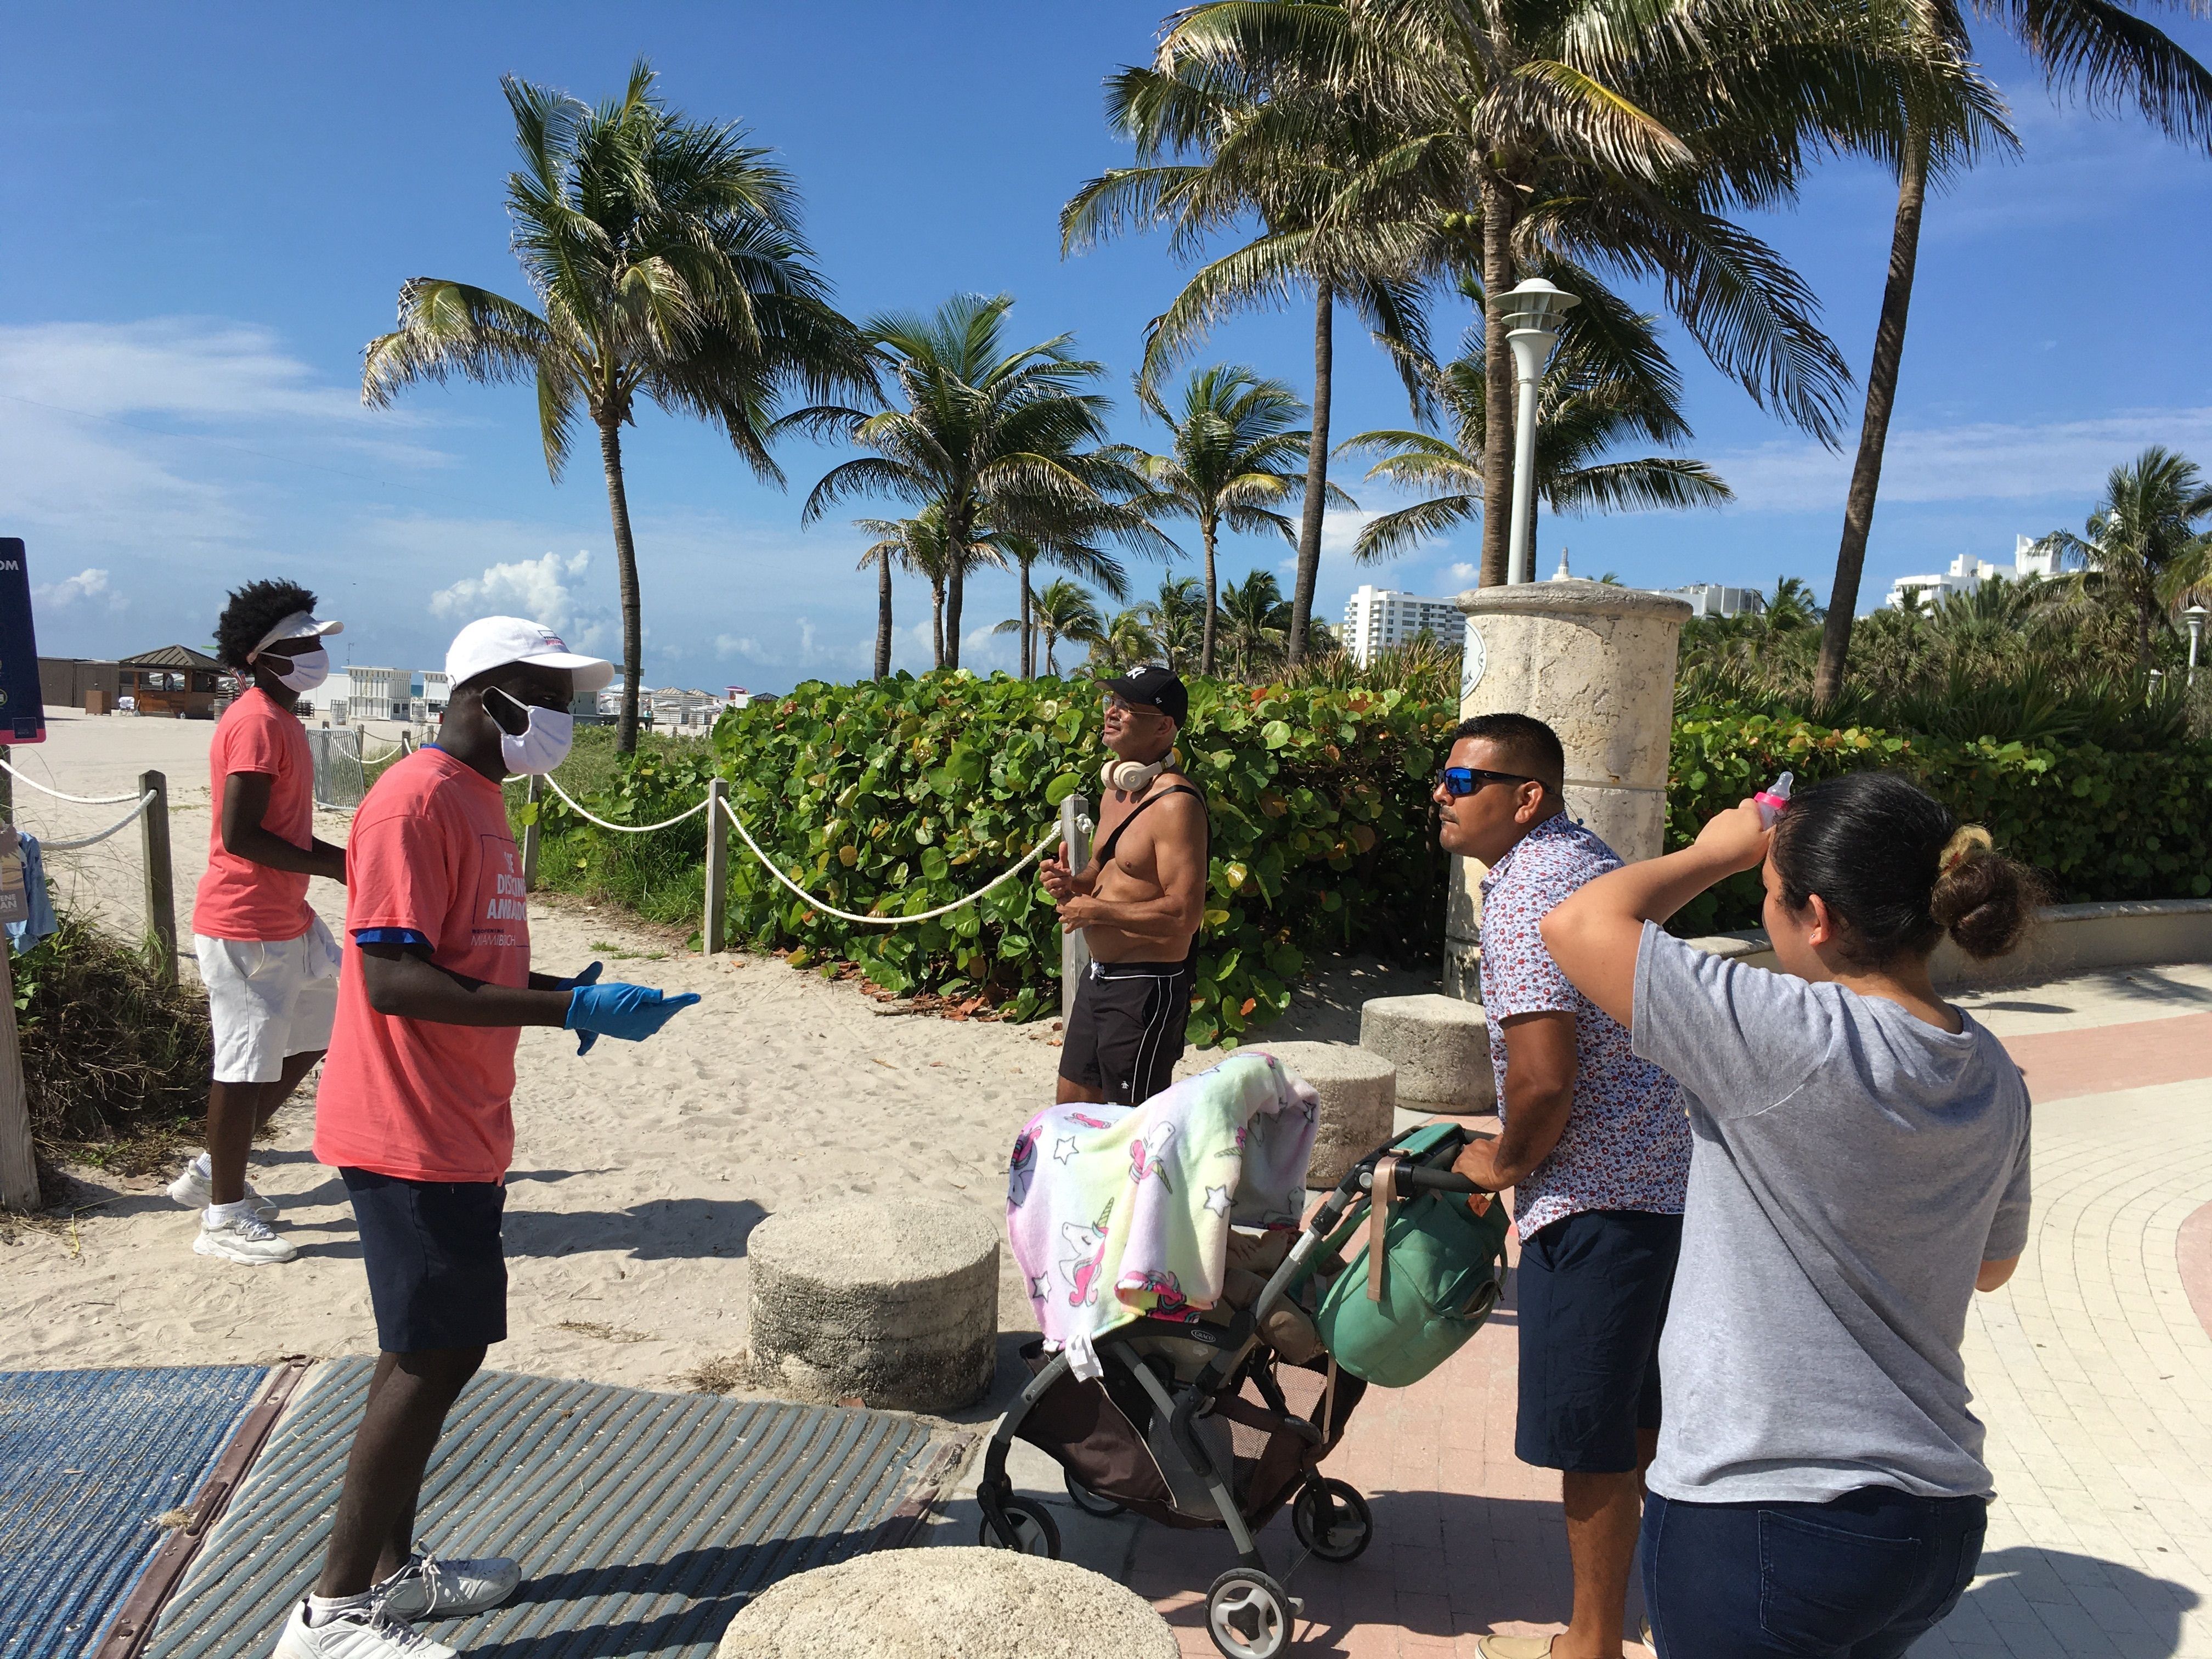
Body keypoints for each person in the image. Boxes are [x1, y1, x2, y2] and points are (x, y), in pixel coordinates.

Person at [275, 617, 702, 1659]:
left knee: (422, 1346)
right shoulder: (414, 800)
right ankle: (330, 1615)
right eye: (550, 692)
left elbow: (469, 957)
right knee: (436, 1350)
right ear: (491, 693)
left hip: (461, 1119)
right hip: (405, 1122)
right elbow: (393, 976)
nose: (566, 713)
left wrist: (579, 993)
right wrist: (561, 1014)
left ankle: (387, 1571)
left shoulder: (482, 799)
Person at [1538, 772, 2036, 1658]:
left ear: (1815, 915)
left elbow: (1575, 925)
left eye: (1766, 897)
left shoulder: (1788, 1032)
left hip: (1765, 1512)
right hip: (1934, 1519)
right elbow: (1990, 1264)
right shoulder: (1989, 1067)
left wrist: (1718, 847)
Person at [1433, 713, 1690, 1659]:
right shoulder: (1587, 856)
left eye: (1462, 782)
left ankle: (1589, 1642)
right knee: (1647, 1418)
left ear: (1525, 795)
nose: (1440, 795)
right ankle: (1657, 1612)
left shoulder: (1526, 887)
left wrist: (1501, 1164)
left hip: (1597, 1193)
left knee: (1593, 1432)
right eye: (1443, 779)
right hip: (1670, 1181)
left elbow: (1543, 1073)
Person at [168, 581, 349, 1265]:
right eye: (302, 643)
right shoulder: (255, 720)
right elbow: (240, 835)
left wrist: (329, 865)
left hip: (286, 918)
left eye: (317, 641)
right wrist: (337, 863)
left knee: (327, 1022)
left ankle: (214, 1168)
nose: (316, 652)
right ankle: (222, 1216)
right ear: (264, 656)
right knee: (242, 1067)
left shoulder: (284, 718)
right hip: (245, 922)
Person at [1040, 665, 1208, 1108]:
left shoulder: (1176, 805)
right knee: (1071, 1111)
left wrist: (1095, 913)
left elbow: (1185, 916)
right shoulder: (1117, 792)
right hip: (1099, 979)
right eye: (1110, 702)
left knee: (1131, 1128)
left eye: (1127, 707)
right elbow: (1103, 866)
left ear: (1165, 725)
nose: (1112, 713)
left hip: (1146, 988)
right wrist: (1073, 884)